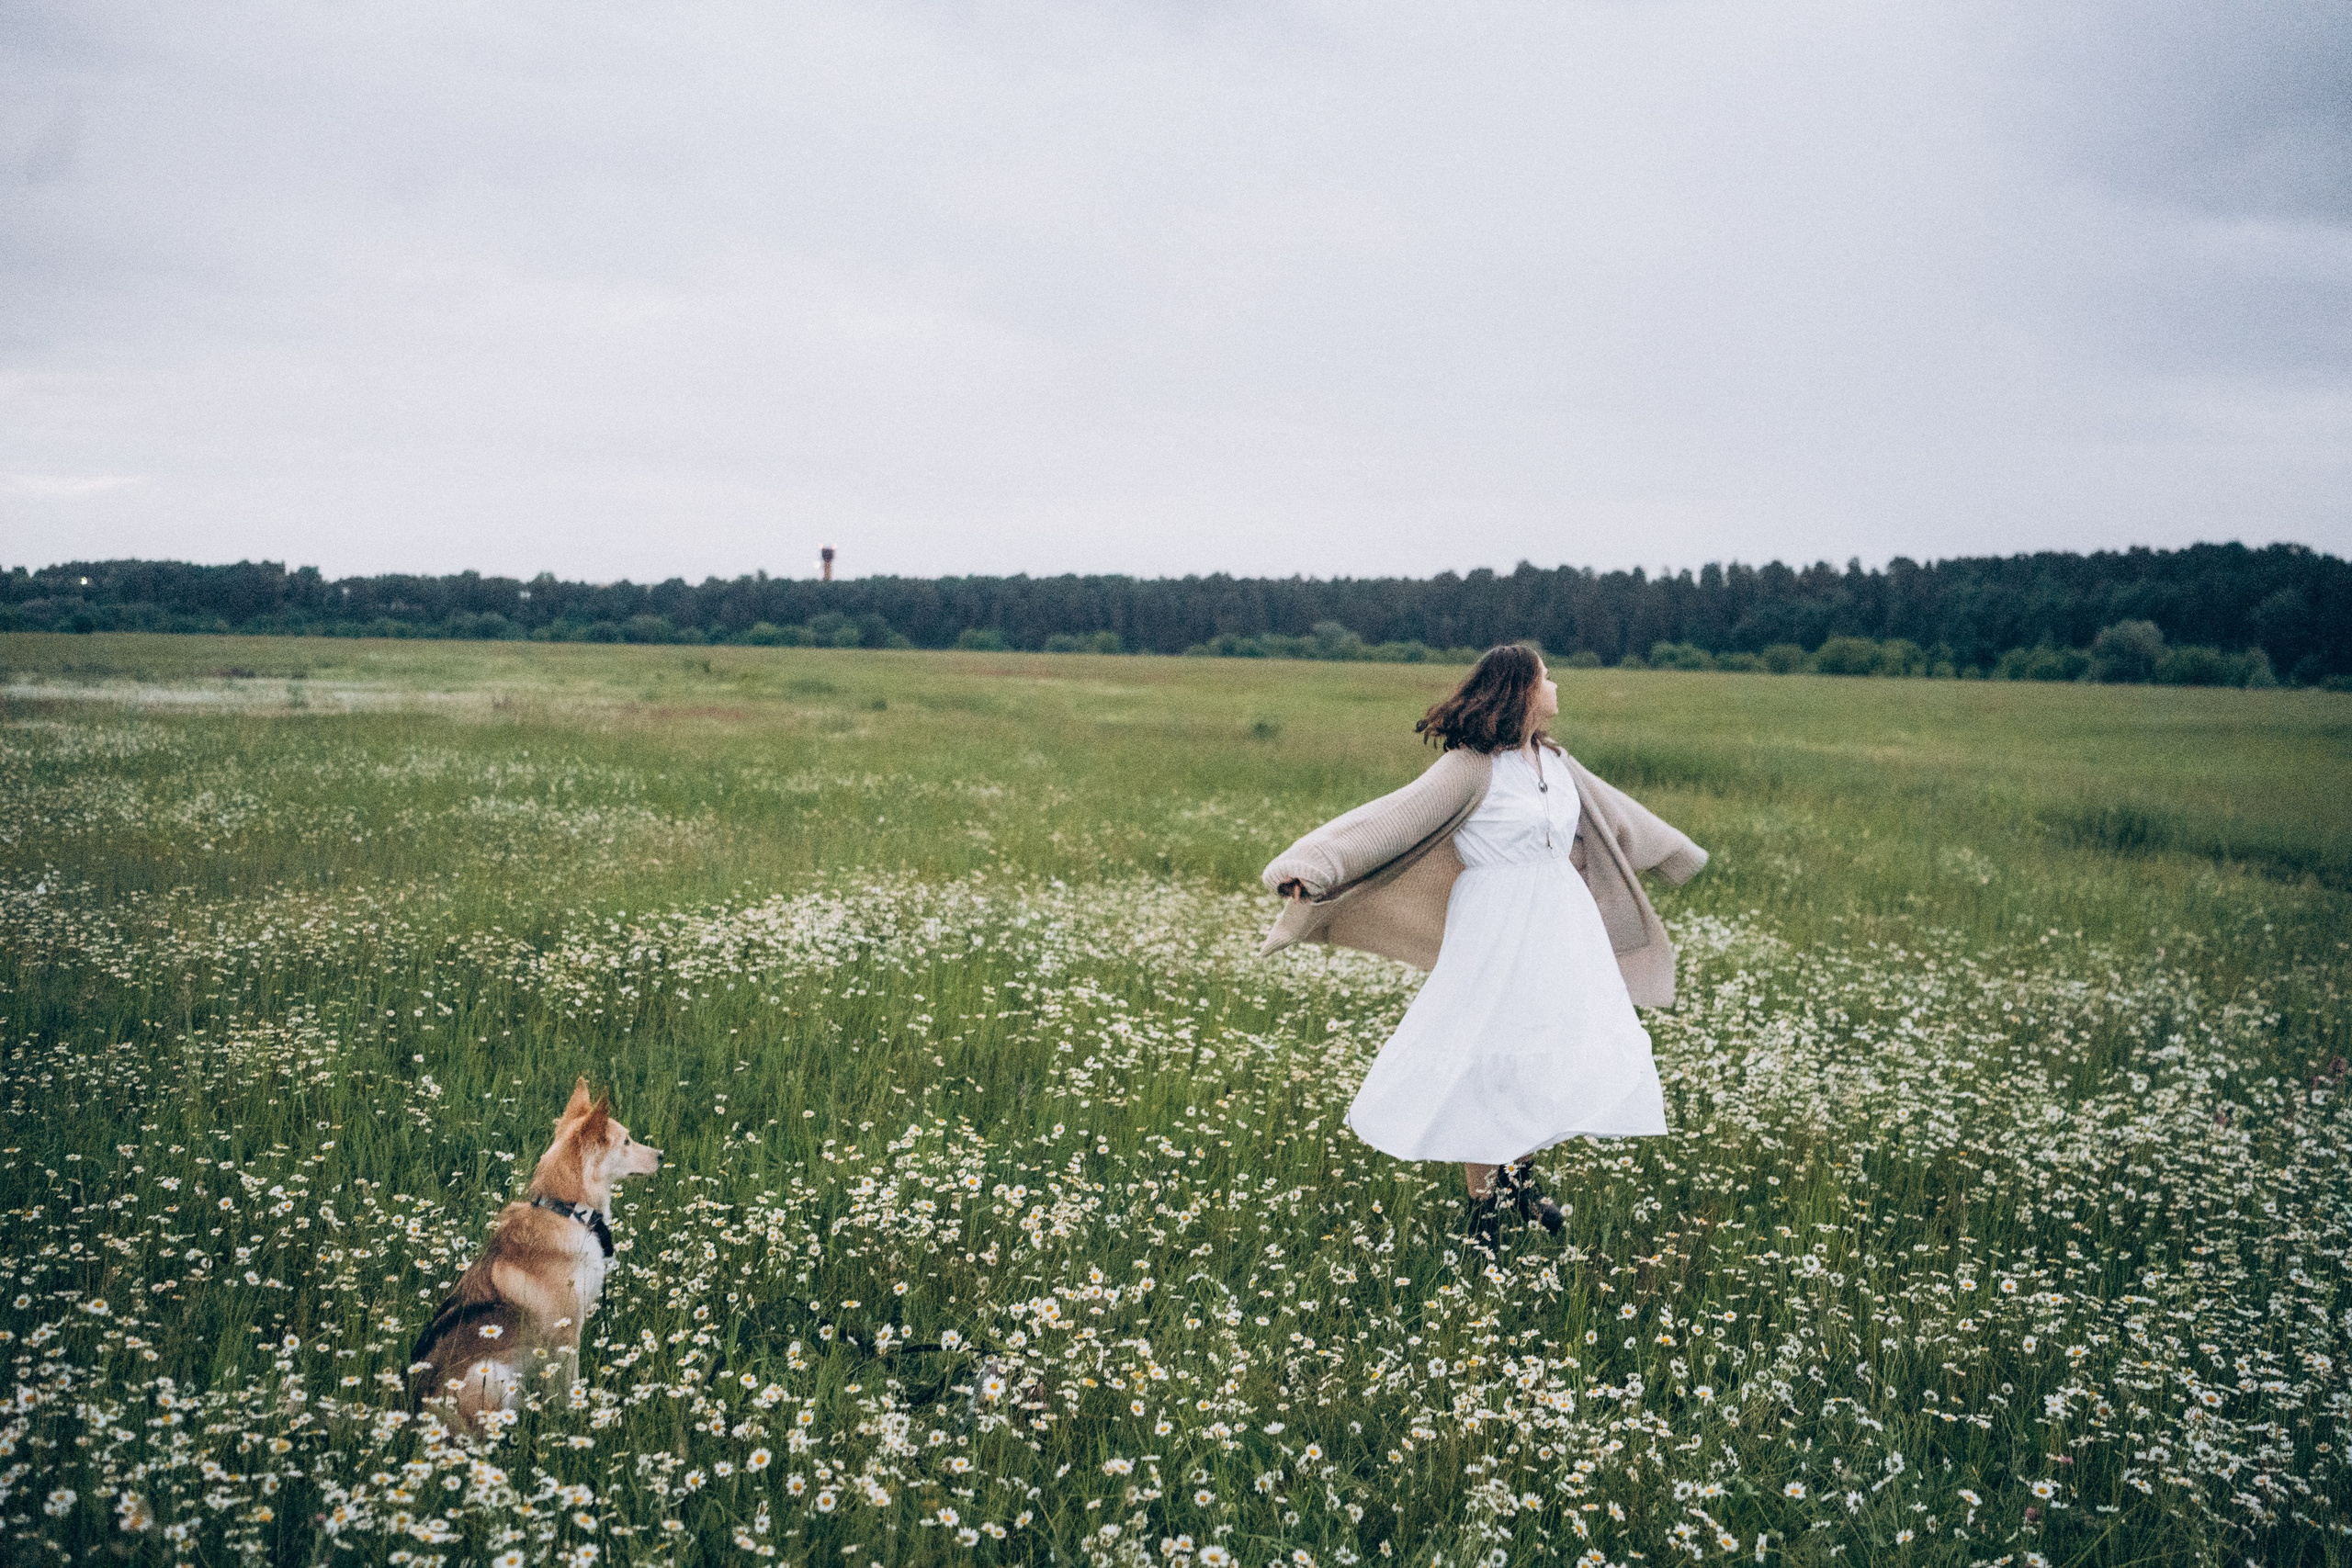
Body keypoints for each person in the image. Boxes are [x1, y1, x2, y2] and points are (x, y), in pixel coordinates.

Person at [1258, 643, 1709, 1250]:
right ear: (1523, 690)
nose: (1556, 685)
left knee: (1537, 1052)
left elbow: (1619, 819)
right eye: (1547, 676)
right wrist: (1310, 868)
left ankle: (1520, 1182)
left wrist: (1679, 855)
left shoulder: (1556, 761)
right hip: (1494, 926)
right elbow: (1391, 821)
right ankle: (1482, 1210)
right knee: (1483, 1058)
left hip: (1560, 928)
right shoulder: (1470, 768)